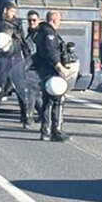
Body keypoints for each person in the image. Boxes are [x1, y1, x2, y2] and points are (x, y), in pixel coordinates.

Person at [0, 0, 29, 129]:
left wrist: (27, 58)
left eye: (15, 11)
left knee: (21, 88)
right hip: (2, 58)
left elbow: (23, 41)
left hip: (16, 56)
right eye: (12, 11)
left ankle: (26, 116)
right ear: (5, 10)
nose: (14, 14)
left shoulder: (18, 23)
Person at [33, 8, 70, 142]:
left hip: (43, 70)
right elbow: (51, 53)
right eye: (59, 21)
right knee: (57, 100)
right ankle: (55, 131)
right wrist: (60, 68)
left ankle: (45, 131)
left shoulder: (40, 31)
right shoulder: (49, 34)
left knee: (47, 101)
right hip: (50, 70)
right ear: (54, 20)